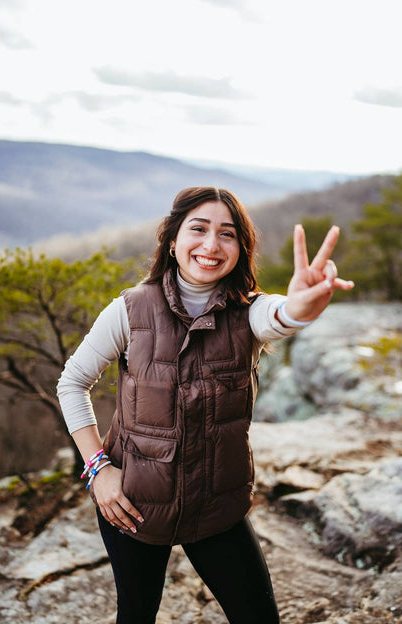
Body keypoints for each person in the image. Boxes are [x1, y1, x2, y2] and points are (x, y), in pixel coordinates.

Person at [57, 186, 354, 624]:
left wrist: (300, 307)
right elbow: (72, 382)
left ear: (240, 249)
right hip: (135, 502)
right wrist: (98, 469)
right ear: (173, 241)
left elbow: (280, 316)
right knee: (136, 614)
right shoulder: (130, 310)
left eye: (227, 234)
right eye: (199, 229)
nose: (212, 245)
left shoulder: (247, 314)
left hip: (217, 504)